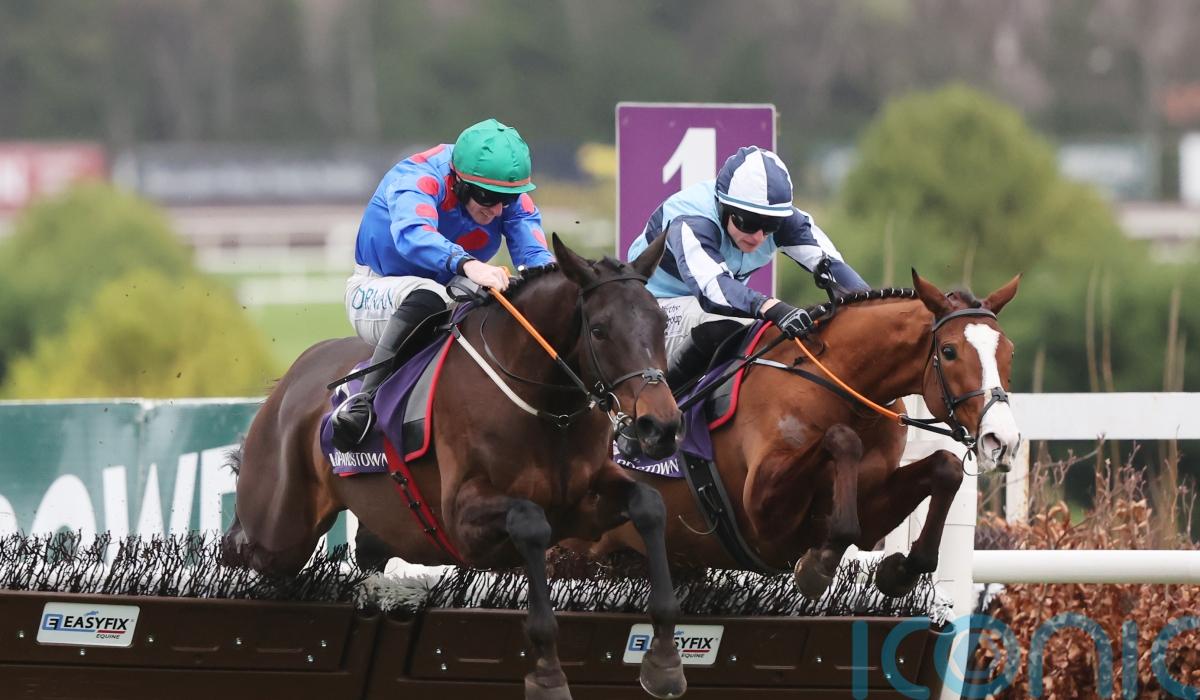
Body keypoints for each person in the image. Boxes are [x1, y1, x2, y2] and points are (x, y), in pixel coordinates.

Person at [331, 118, 554, 450]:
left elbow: (535, 256)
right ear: (459, 181)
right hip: (380, 287)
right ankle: (362, 402)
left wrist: (558, 285)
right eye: (488, 197)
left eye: (506, 200)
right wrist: (468, 265)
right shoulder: (417, 179)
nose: (497, 209)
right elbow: (413, 235)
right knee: (430, 296)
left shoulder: (505, 196)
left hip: (453, 289)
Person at [626, 145, 870, 388]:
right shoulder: (692, 219)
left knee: (761, 330)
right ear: (723, 206)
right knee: (729, 324)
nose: (759, 236)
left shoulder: (785, 220)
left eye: (771, 226)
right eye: (748, 222)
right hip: (645, 311)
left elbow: (833, 266)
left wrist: (870, 308)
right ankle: (656, 403)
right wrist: (775, 308)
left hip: (702, 309)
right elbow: (714, 291)